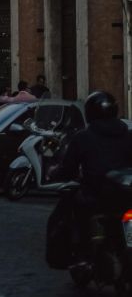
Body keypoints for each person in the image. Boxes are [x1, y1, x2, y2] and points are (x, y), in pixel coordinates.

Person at [54, 90, 132, 259]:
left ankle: (83, 252)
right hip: (127, 195)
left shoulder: (83, 137)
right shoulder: (128, 134)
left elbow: (68, 168)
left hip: (97, 194)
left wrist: (55, 173)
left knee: (74, 205)